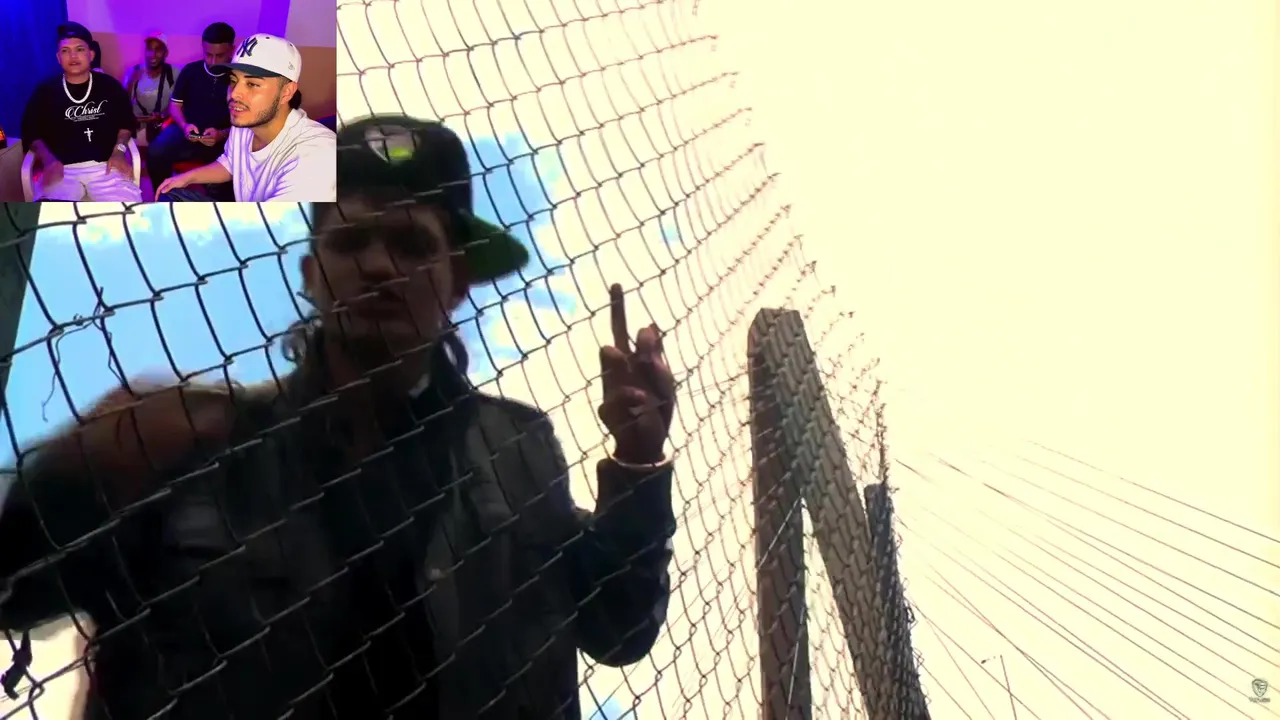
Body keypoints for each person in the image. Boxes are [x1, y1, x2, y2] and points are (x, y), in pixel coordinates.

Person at [0, 114, 676, 719]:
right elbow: (16, 587)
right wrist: (70, 479)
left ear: (458, 280)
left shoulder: (517, 447)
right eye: (351, 240)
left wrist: (638, 462)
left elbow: (620, 628)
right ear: (310, 275)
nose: (379, 265)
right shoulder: (186, 441)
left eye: (412, 244)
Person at [156, 33, 335, 202]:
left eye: (252, 84)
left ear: (286, 92)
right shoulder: (244, 123)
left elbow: (281, 223)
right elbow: (231, 163)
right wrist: (186, 178)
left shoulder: (316, 153)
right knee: (170, 195)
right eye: (233, 81)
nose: (234, 94)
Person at [18, 22, 141, 202]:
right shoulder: (45, 91)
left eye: (80, 49)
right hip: (61, 168)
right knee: (51, 216)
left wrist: (119, 151)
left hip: (106, 165)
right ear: (58, 58)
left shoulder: (110, 86)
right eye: (65, 51)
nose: (73, 56)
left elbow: (126, 123)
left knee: (125, 213)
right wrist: (48, 159)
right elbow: (31, 132)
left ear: (91, 55)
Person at [145, 22, 235, 199]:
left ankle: (215, 207)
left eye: (219, 56)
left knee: (222, 183)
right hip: (186, 131)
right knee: (155, 152)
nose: (213, 62)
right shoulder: (190, 71)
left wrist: (222, 134)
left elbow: (246, 120)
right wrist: (184, 125)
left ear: (231, 50)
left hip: (223, 138)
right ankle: (164, 196)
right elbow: (175, 106)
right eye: (208, 55)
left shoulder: (238, 76)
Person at [121, 31, 175, 147]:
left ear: (166, 53)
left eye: (158, 50)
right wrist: (131, 83)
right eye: (149, 49)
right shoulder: (134, 71)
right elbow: (123, 106)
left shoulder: (174, 73)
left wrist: (163, 116)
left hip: (162, 129)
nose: (152, 54)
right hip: (137, 129)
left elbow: (180, 105)